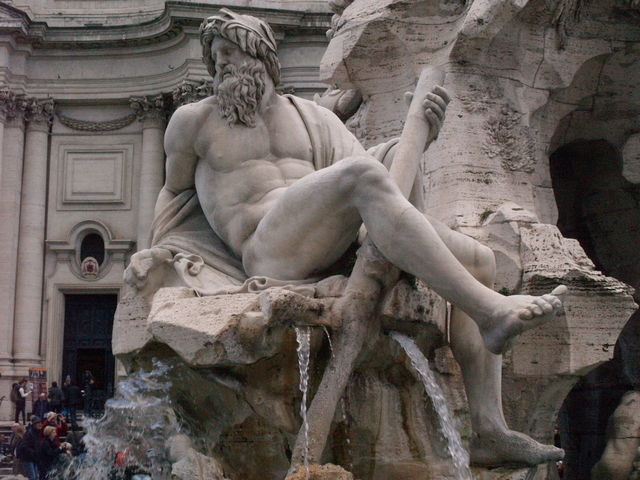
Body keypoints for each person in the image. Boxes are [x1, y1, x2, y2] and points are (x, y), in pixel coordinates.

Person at [124, 8, 566, 466]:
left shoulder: (312, 117)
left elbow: (377, 174)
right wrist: (161, 253)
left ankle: (489, 429)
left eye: (229, 52)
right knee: (361, 174)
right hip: (266, 248)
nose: (221, 65)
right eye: (215, 58)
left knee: (480, 259)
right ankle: (490, 311)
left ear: (262, 56)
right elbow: (174, 195)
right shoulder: (194, 121)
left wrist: (417, 139)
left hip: (327, 238)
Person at [16, 415, 43, 480]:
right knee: (32, 477)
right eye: (38, 423)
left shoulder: (37, 433)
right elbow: (23, 446)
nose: (40, 424)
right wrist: (32, 452)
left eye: (40, 423)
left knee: (36, 477)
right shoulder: (29, 433)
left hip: (34, 458)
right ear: (34, 424)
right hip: (28, 458)